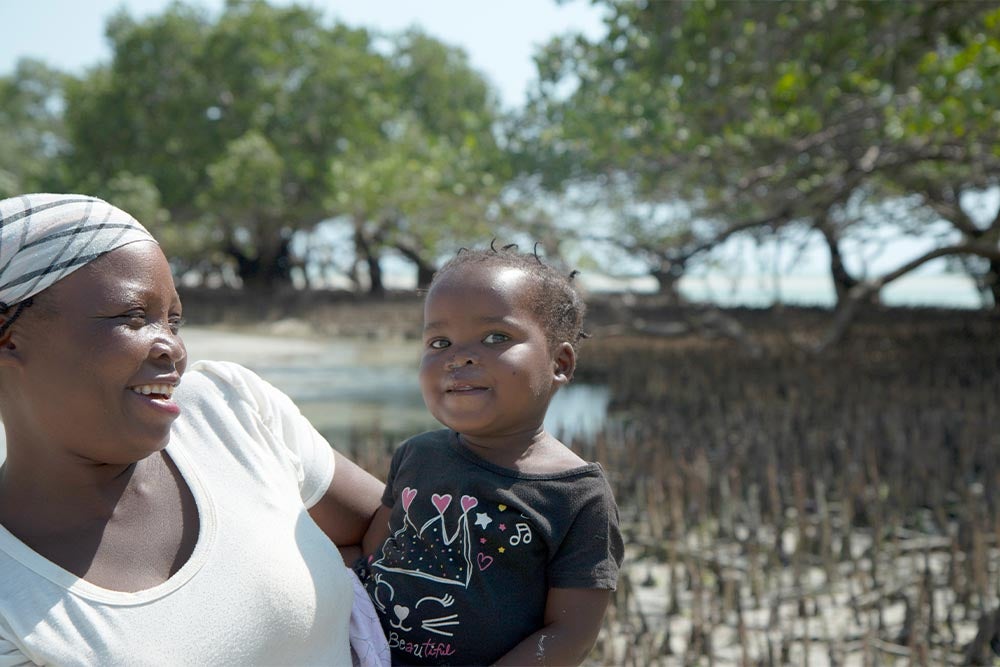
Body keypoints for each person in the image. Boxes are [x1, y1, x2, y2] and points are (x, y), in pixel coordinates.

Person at [0, 194, 389, 666]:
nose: (173, 350)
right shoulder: (12, 593)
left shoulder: (228, 410)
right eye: (133, 317)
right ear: (9, 340)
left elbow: (400, 533)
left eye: (174, 321)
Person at [356, 244, 625, 666]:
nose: (458, 356)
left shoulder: (576, 495)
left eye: (495, 337)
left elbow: (569, 634)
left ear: (560, 362)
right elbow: (372, 554)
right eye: (439, 341)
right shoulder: (417, 453)